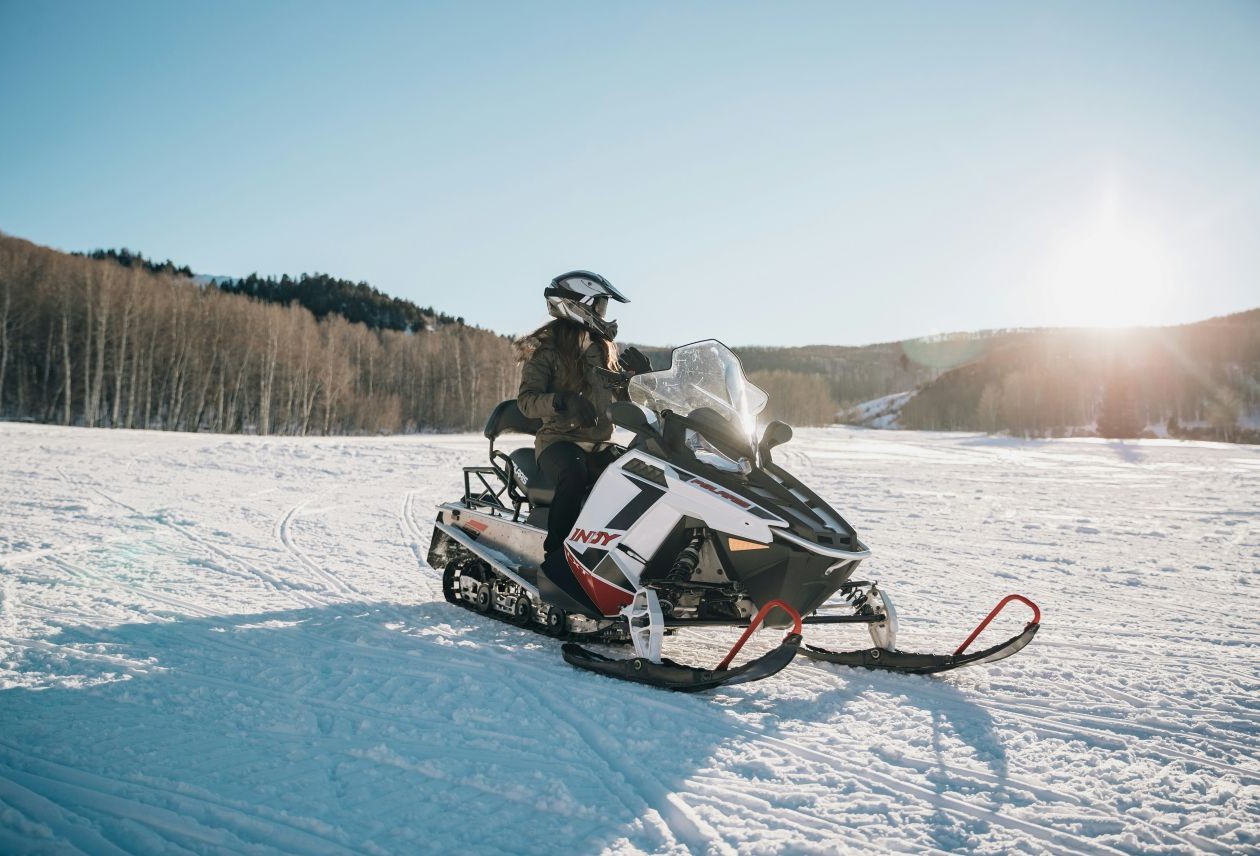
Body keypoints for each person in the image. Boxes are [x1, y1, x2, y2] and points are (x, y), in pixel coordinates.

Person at [516, 270, 637, 617]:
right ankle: (557, 564)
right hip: (558, 442)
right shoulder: (548, 350)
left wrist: (635, 378)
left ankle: (620, 565)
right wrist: (562, 401)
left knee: (638, 478)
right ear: (579, 306)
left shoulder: (603, 349)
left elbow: (620, 396)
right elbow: (526, 401)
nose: (603, 313)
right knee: (575, 475)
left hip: (599, 441)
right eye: (598, 305)